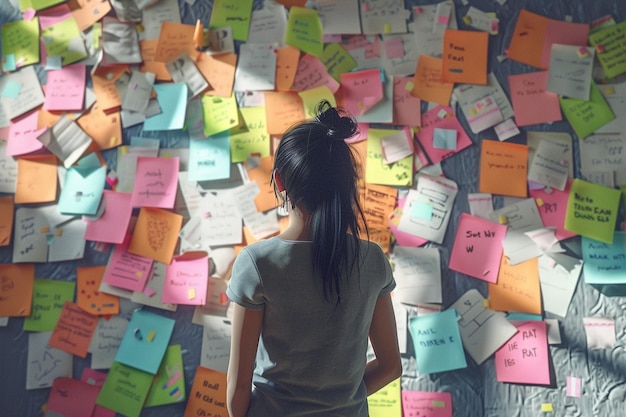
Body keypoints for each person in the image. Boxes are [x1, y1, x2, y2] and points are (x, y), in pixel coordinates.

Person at [226, 101, 402, 417]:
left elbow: (238, 389)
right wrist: (339, 401)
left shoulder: (257, 264)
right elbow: (390, 367)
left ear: (279, 182)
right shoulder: (372, 260)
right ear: (346, 183)